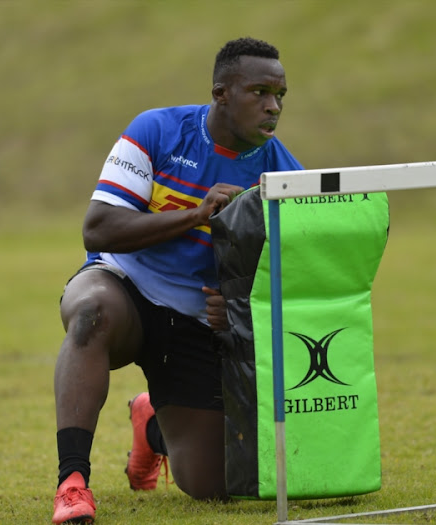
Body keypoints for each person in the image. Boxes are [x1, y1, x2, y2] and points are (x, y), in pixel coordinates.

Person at [51, 36, 303, 524]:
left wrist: (233, 304)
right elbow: (98, 227)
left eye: (280, 95)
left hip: (196, 324)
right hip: (125, 288)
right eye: (259, 92)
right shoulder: (158, 130)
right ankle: (73, 483)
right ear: (221, 94)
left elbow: (296, 268)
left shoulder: (281, 170)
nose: (273, 107)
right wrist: (197, 214)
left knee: (212, 486)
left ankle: (151, 426)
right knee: (89, 313)